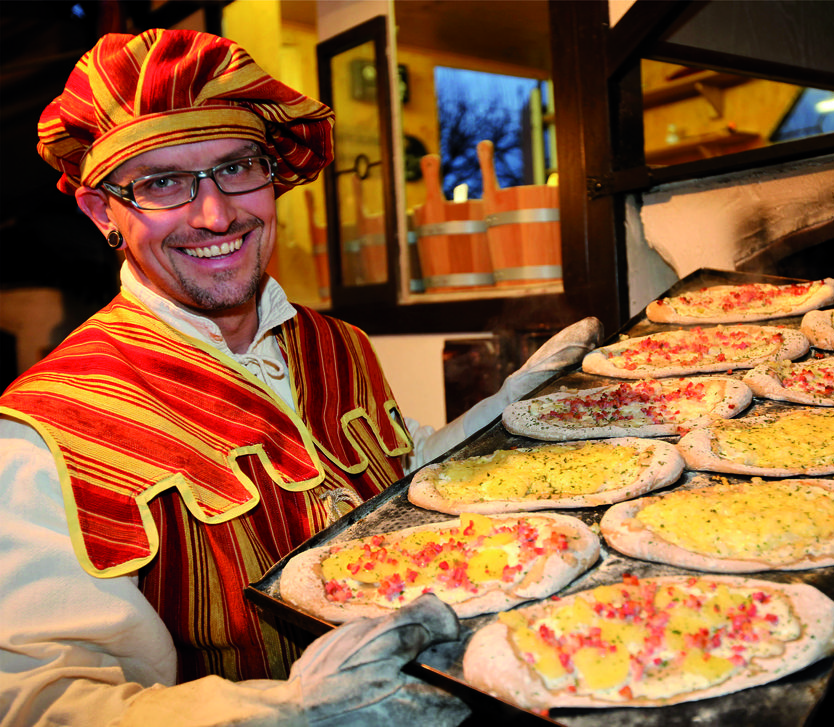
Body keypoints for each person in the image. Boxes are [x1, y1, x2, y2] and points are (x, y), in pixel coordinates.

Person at [0, 28, 601, 726]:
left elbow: (404, 479)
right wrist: (286, 710)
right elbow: (43, 701)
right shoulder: (47, 431)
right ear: (103, 210)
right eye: (162, 183)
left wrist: (505, 414)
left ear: (273, 174)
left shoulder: (337, 343)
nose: (216, 213)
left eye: (236, 167)